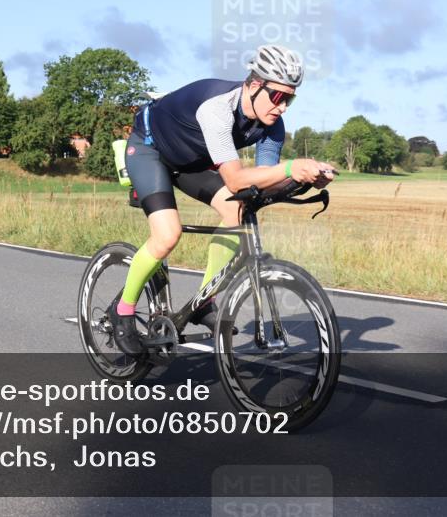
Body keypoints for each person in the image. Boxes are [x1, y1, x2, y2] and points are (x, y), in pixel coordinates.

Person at [110, 44, 336, 356]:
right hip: (150, 151)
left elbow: (263, 178)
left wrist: (302, 179)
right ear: (255, 85)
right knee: (167, 234)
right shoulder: (216, 108)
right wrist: (290, 168)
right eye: (278, 96)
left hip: (190, 163)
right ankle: (122, 310)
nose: (283, 106)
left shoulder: (273, 126)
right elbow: (235, 179)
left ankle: (204, 300)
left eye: (290, 98)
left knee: (237, 209)